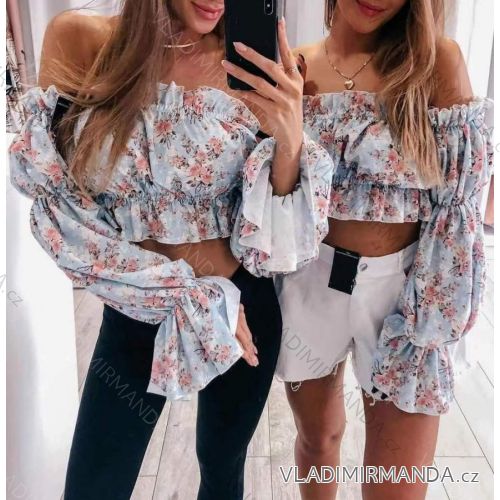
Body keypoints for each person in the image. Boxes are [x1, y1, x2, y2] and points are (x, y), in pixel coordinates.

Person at [8, 2, 333, 499]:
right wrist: (189, 294)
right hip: (140, 308)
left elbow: (278, 244)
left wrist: (290, 139)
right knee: (94, 487)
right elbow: (62, 217)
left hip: (243, 308)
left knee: (222, 475)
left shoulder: (247, 62)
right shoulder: (82, 41)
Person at [275, 0, 493, 498]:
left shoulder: (435, 63)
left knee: (396, 483)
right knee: (317, 439)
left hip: (404, 292)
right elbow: (276, 199)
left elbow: (457, 210)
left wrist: (436, 313)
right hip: (311, 280)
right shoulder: (297, 66)